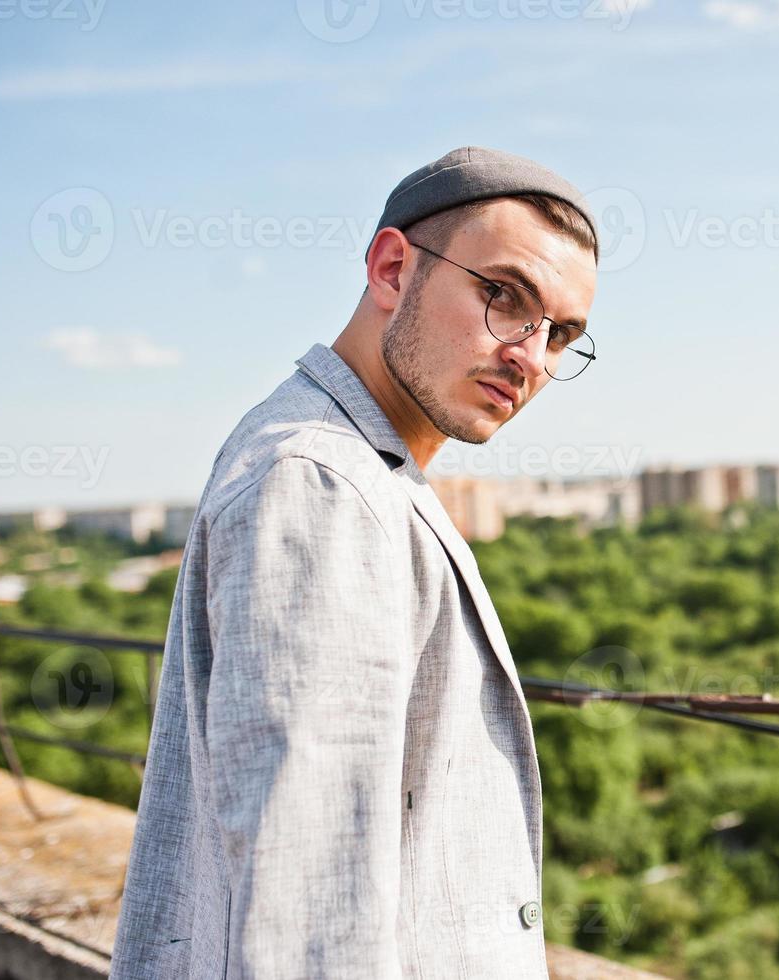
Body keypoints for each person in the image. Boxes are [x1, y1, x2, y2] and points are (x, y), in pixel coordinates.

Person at [109, 145, 600, 979]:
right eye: (503, 297)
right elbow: (310, 908)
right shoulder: (320, 484)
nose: (530, 354)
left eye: (561, 334)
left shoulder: (348, 464)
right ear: (391, 269)